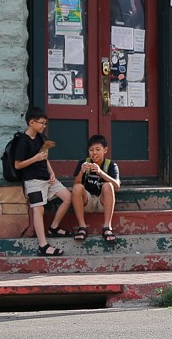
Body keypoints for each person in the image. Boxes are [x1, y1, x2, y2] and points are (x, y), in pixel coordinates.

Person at [13, 106, 73, 256]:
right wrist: (35, 158)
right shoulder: (22, 141)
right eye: (41, 123)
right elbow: (18, 165)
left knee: (68, 197)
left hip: (47, 178)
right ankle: (43, 245)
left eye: (45, 123)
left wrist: (51, 172)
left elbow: (44, 158)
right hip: (33, 181)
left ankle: (54, 227)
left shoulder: (42, 138)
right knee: (38, 209)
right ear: (31, 122)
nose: (44, 126)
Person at [71, 134, 121, 242]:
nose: (94, 153)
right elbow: (75, 184)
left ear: (105, 150)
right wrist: (81, 171)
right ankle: (82, 227)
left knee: (108, 185)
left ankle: (107, 227)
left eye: (98, 149)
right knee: (77, 188)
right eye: (91, 150)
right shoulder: (83, 163)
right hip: (87, 202)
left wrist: (100, 172)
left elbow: (117, 186)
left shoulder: (111, 165)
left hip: (103, 202)